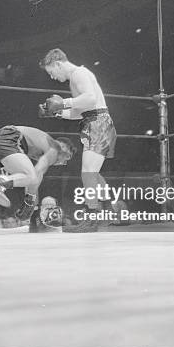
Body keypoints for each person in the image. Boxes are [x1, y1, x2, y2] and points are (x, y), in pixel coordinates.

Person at [38, 48, 117, 232]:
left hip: (98, 122)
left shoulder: (78, 74)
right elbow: (79, 111)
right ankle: (108, 213)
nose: (52, 77)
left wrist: (63, 102)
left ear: (58, 63)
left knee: (88, 172)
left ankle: (92, 219)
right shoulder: (77, 77)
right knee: (94, 173)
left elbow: (89, 99)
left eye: (51, 72)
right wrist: (56, 112)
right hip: (94, 121)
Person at [0, 125, 77, 221]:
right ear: (62, 146)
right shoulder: (55, 148)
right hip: (10, 137)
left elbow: (37, 177)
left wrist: (30, 203)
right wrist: (30, 203)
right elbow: (37, 172)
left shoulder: (43, 147)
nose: (64, 162)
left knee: (25, 176)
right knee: (30, 175)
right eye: (67, 156)